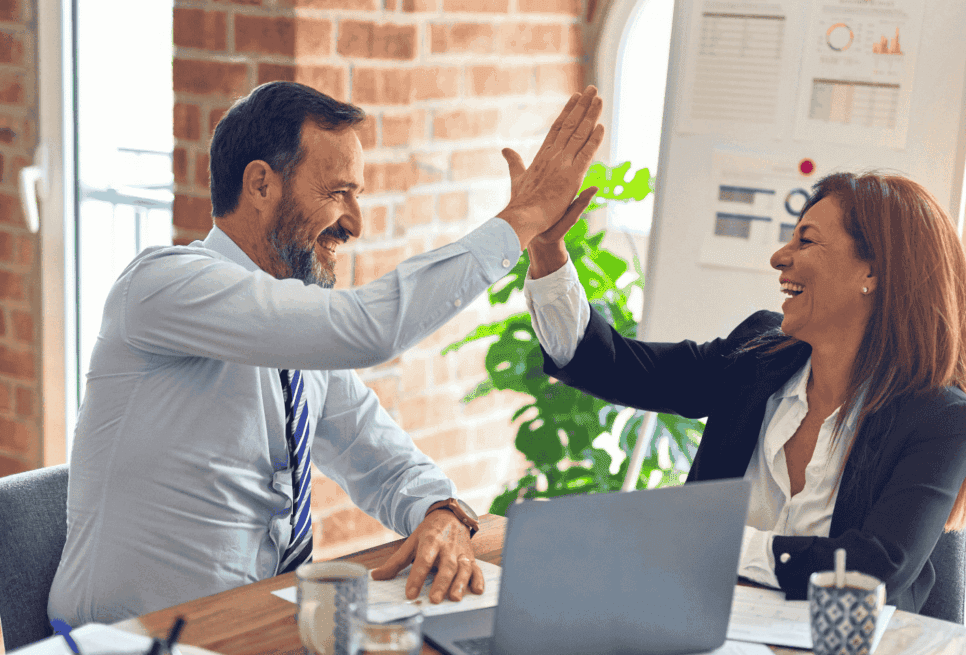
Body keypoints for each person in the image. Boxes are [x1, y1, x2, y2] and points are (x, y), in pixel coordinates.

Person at [49, 81, 603, 626]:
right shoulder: (162, 286)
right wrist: (522, 219)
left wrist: (442, 511)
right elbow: (369, 329)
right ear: (261, 185)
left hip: (251, 632)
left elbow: (381, 458)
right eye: (339, 192)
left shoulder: (297, 338)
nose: (355, 224)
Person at [521, 171, 966, 612]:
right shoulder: (757, 356)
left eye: (806, 240)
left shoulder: (941, 421)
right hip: (701, 630)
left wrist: (712, 540)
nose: (779, 257)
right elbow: (615, 366)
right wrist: (546, 249)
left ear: (873, 273)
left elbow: (873, 569)